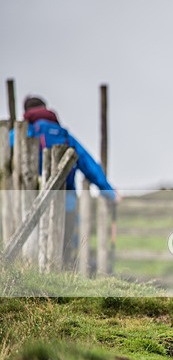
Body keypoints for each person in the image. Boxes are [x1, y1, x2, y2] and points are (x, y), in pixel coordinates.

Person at [11, 96, 118, 266]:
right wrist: (109, 191)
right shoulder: (63, 134)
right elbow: (87, 163)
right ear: (46, 108)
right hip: (65, 197)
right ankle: (63, 274)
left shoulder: (20, 132)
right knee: (65, 244)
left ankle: (31, 276)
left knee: (28, 246)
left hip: (29, 198)